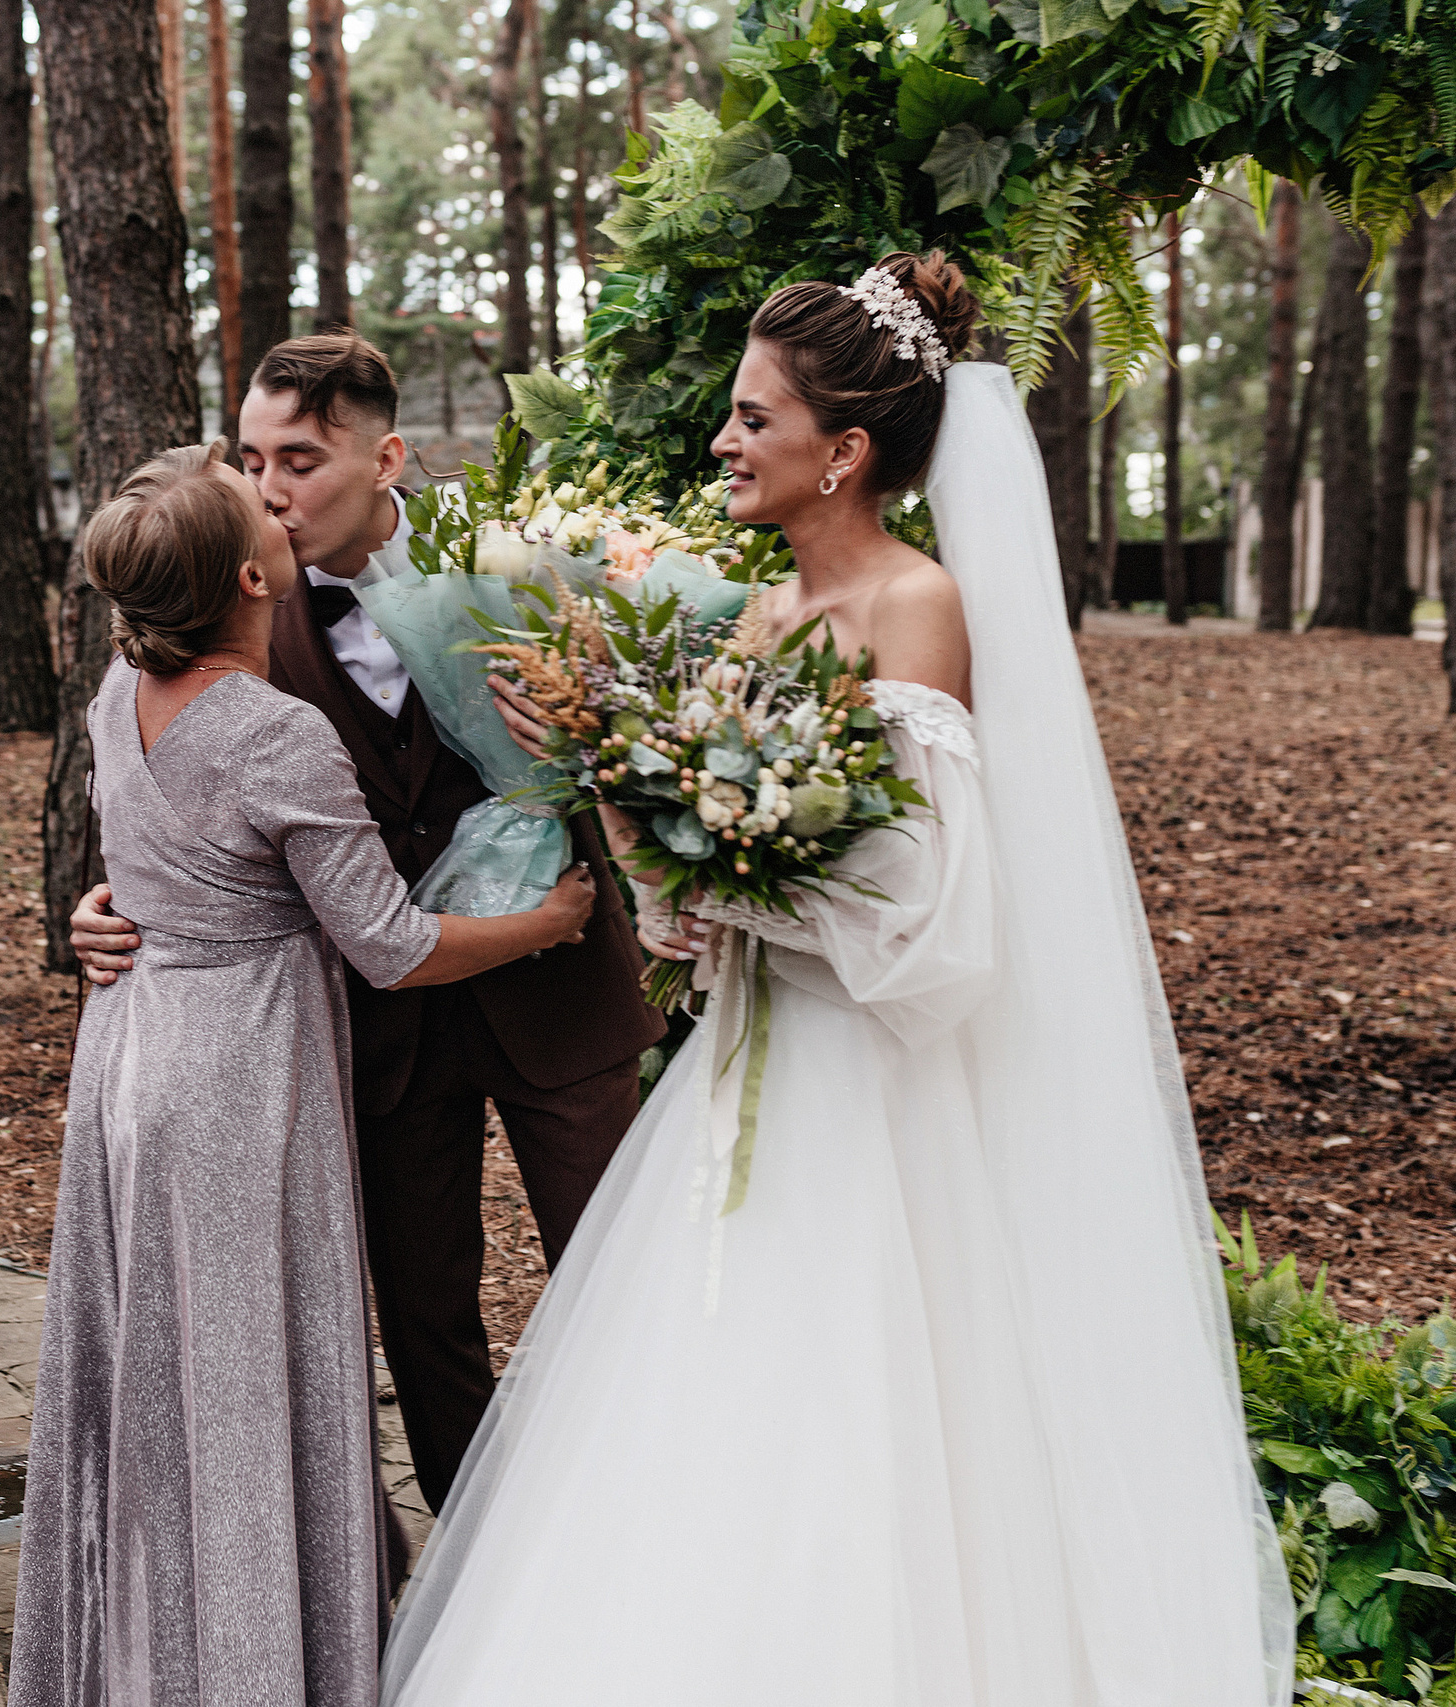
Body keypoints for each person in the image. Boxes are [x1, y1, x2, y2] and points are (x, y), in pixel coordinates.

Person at [381, 255, 1293, 1704]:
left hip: (870, 1092)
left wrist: (734, 857)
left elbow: (933, 917)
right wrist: (606, 764)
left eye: (754, 418)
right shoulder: (751, 622)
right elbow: (693, 911)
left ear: (844, 449)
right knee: (711, 1403)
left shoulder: (914, 606)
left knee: (852, 1408)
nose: (725, 443)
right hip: (749, 1064)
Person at [10, 443, 594, 1707]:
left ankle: (157, 1640)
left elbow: (159, 855)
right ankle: (255, 1661)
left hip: (126, 1059)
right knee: (242, 1376)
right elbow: (388, 944)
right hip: (237, 1083)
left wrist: (100, 908)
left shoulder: (117, 694)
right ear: (250, 578)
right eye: (256, 509)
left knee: (155, 1375)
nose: (278, 508)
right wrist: (546, 923)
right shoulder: (281, 733)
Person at [70, 335, 664, 1513]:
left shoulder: (524, 569)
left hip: (558, 989)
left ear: (385, 456)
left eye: (299, 458)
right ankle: (469, 1569)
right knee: (425, 1320)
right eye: (249, 459)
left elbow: (646, 756)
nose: (267, 489)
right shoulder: (233, 615)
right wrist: (100, 910)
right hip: (373, 1030)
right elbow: (174, 803)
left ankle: (650, 1522)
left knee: (624, 1281)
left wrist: (597, 750)